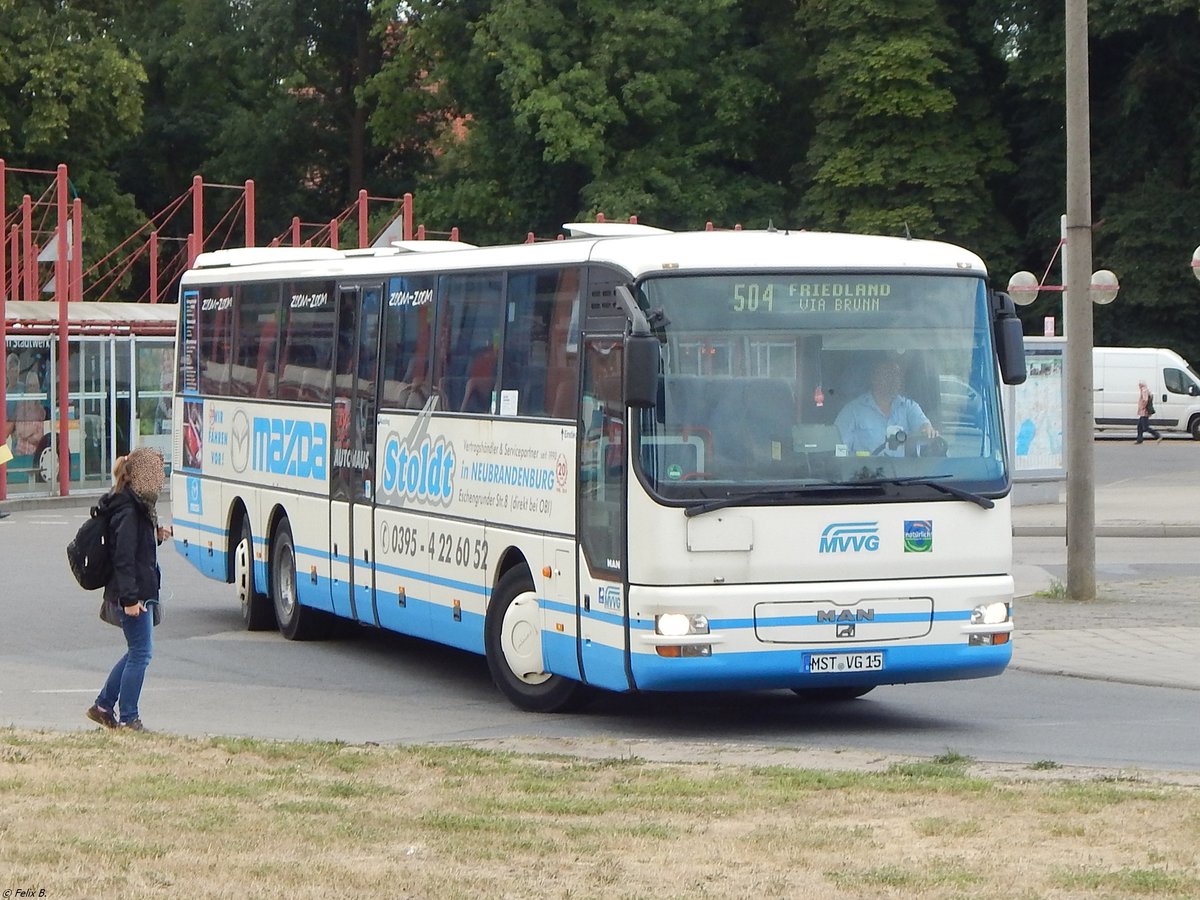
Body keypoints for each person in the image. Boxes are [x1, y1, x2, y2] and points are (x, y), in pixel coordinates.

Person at [86, 448, 172, 732]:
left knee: (138, 651)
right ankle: (128, 717)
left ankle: (103, 706)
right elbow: (123, 558)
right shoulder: (129, 509)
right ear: (143, 477)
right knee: (141, 653)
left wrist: (156, 536)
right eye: (157, 475)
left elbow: (136, 551)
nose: (161, 481)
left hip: (139, 589)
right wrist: (130, 600)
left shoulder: (137, 506)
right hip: (132, 594)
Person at [835, 355, 936, 457]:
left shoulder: (909, 407)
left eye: (897, 375)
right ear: (874, 378)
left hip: (903, 472)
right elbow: (839, 449)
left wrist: (926, 429)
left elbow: (923, 426)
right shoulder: (853, 411)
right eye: (888, 375)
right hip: (865, 472)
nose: (894, 380)